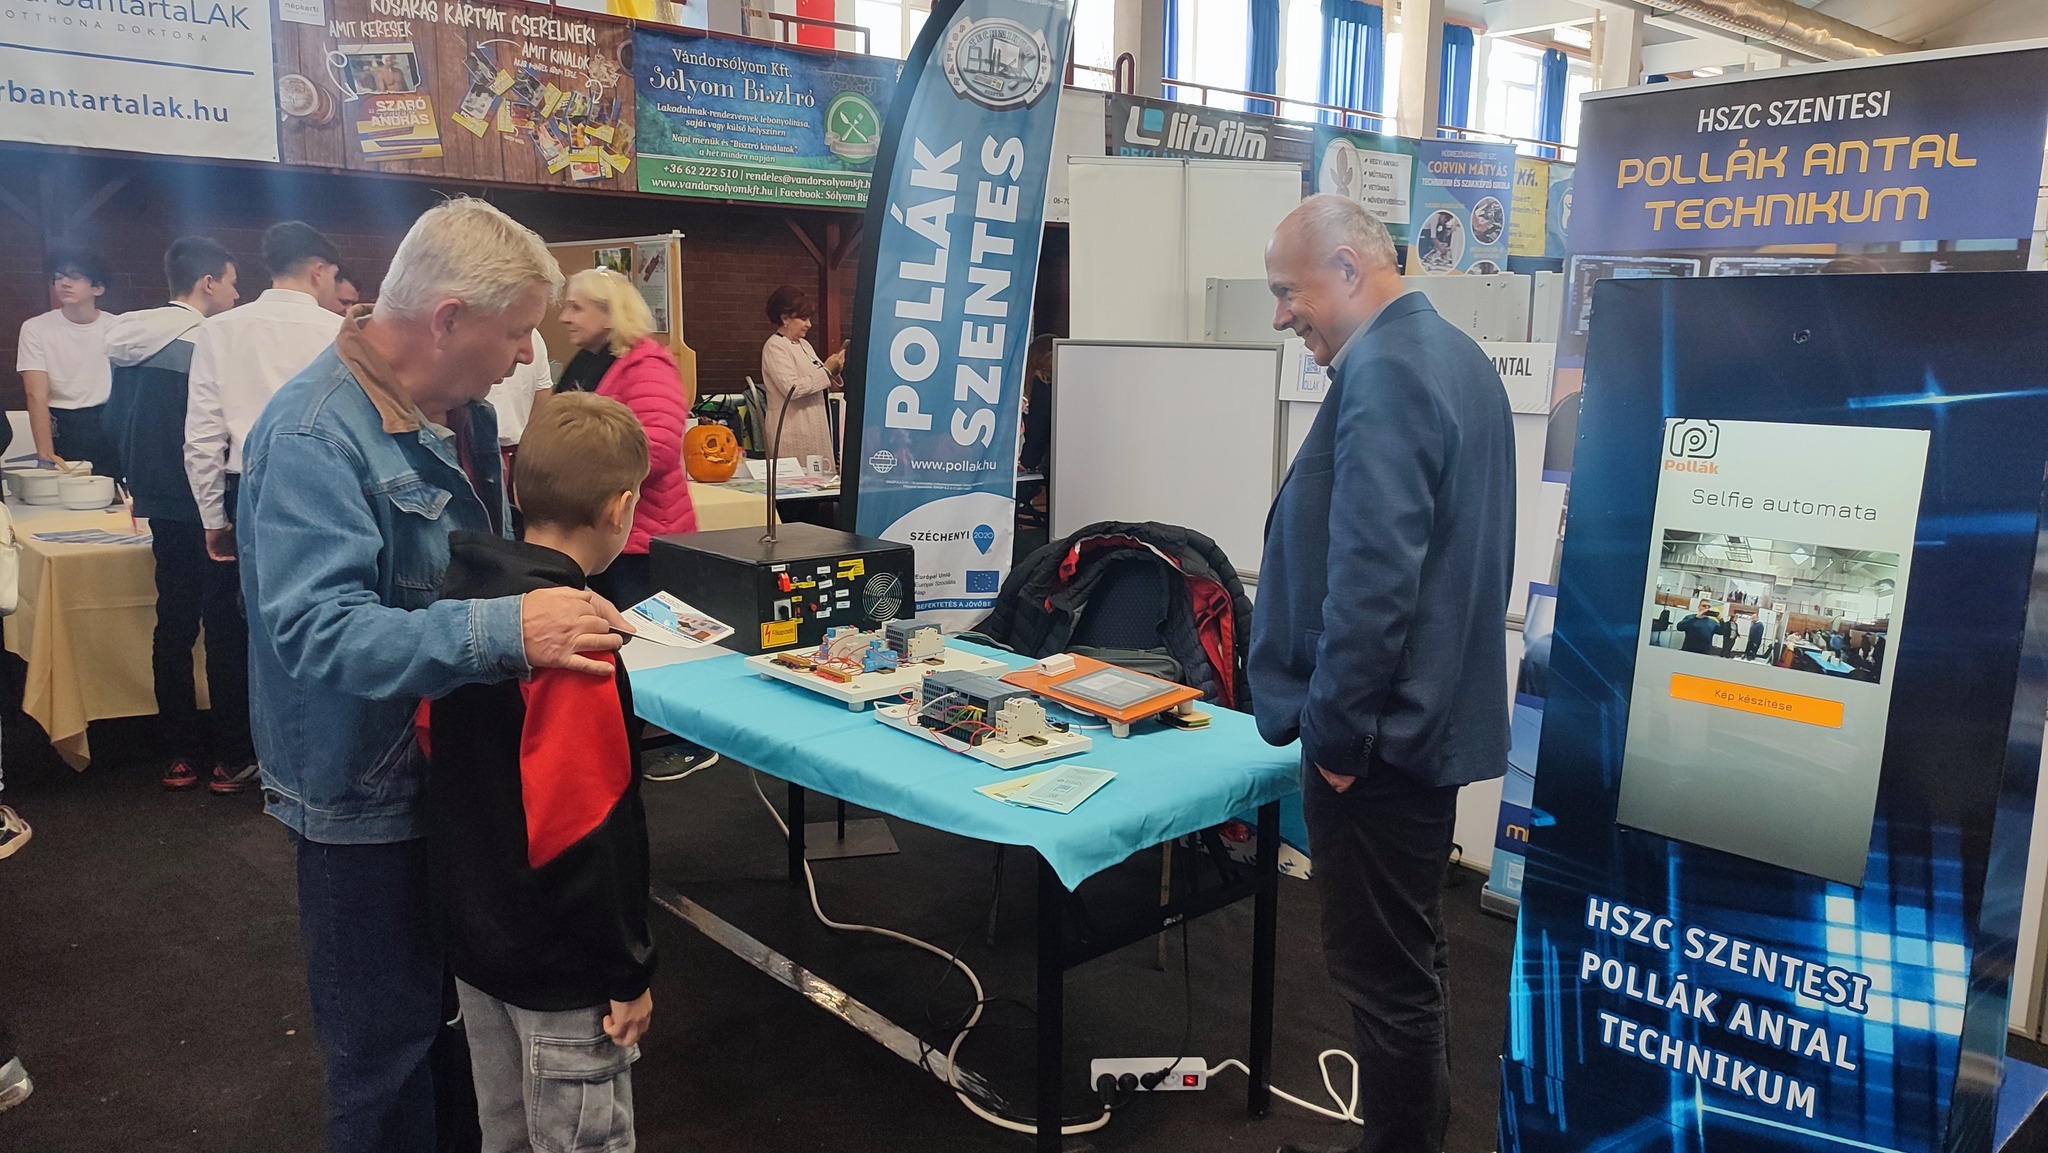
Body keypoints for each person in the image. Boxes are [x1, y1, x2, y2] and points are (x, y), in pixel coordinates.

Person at [238, 196, 629, 1153]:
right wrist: (508, 629)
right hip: (361, 796)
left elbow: (471, 570)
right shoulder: (311, 437)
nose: (526, 355)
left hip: (446, 778)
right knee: (385, 1057)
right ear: (449, 317)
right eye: (518, 332)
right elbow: (318, 632)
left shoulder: (465, 415)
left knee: (455, 1041)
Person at [1250, 195, 1513, 1153]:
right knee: (1410, 963)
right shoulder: (1456, 356)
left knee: (1384, 977)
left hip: (1378, 747)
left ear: (1349, 268)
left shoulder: (1390, 369)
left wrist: (1337, 740)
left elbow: (1372, 582)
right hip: (1421, 731)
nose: (1281, 314)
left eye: (1289, 291)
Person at [423, 392, 656, 1153]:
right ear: (621, 508)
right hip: (561, 969)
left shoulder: (460, 603)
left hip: (478, 944)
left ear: (516, 487)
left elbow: (430, 744)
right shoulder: (574, 642)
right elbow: (587, 824)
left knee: (507, 1135)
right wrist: (627, 969)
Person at [103, 237, 253, 793]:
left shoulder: (127, 339)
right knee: (223, 626)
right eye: (232, 282)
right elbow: (214, 432)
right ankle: (231, 756)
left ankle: (179, 753)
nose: (236, 295)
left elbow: (112, 422)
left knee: (173, 623)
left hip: (157, 500)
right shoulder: (208, 339)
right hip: (206, 499)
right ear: (208, 282)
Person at [557, 268, 695, 610]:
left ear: (609, 313)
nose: (564, 318)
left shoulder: (646, 366)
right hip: (605, 534)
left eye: (576, 307)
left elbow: (657, 449)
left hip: (641, 541)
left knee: (638, 633)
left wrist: (578, 467)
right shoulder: (589, 362)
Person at [18, 245, 119, 466]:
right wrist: (45, 455)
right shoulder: (36, 328)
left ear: (98, 287)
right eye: (58, 276)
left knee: (112, 485)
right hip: (61, 422)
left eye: (75, 276)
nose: (64, 283)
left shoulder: (118, 327)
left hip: (108, 420)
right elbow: (36, 394)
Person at [758, 284, 844, 470]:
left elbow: (821, 382)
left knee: (822, 482)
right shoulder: (775, 346)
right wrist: (826, 371)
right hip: (792, 433)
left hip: (816, 430)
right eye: (803, 319)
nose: (809, 324)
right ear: (785, 318)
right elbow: (791, 389)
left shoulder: (805, 345)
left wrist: (834, 370)